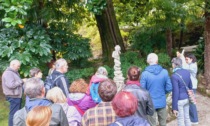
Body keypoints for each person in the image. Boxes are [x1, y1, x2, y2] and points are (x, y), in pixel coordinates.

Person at [140, 53, 172, 126]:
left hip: (150, 103)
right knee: (163, 123)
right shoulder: (164, 72)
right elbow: (169, 87)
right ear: (157, 60)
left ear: (148, 61)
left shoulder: (145, 74)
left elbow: (142, 90)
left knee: (152, 124)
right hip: (162, 101)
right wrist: (162, 93)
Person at [2, 59, 26, 126]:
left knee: (16, 113)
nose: (19, 67)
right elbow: (11, 85)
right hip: (13, 97)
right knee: (13, 113)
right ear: (13, 65)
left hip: (16, 96)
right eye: (18, 66)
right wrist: (22, 81)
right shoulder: (8, 73)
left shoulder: (14, 72)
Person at [177, 52, 199, 124]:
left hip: (192, 87)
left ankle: (195, 120)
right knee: (189, 103)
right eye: (185, 59)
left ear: (191, 59)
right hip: (189, 86)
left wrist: (182, 58)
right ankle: (191, 119)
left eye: (187, 59)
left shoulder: (193, 66)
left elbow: (185, 67)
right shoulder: (189, 64)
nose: (186, 61)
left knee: (192, 103)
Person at [171, 57, 192, 126]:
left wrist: (174, 107)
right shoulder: (187, 72)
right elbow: (190, 86)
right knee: (187, 117)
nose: (172, 65)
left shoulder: (174, 76)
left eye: (172, 63)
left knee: (180, 119)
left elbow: (176, 92)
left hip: (179, 100)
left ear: (175, 64)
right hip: (186, 98)